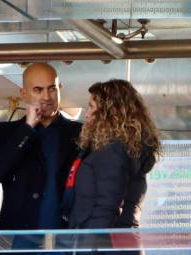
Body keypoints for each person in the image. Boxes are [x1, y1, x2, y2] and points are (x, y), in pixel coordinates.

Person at [65, 79, 161, 254]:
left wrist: (90, 248)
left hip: (103, 245)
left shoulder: (112, 150)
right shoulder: (128, 148)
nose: (86, 115)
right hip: (119, 242)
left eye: (91, 107)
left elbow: (107, 207)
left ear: (109, 113)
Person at [0, 62, 82, 232]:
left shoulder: (80, 132)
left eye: (52, 89)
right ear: (24, 94)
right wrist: (28, 128)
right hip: (17, 238)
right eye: (38, 90)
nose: (47, 97)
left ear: (60, 88)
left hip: (64, 237)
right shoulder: (4, 132)